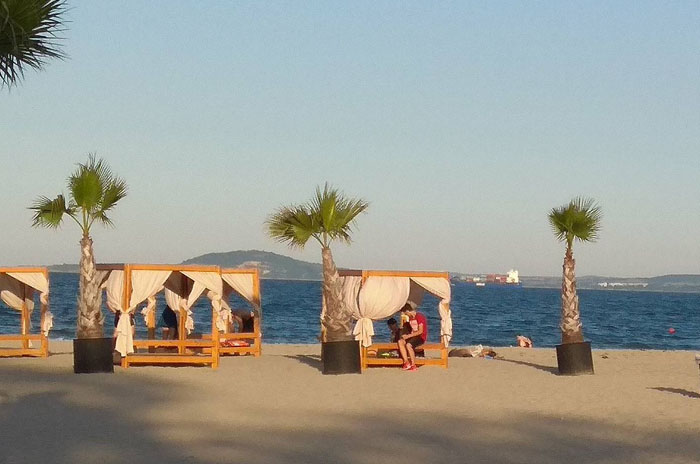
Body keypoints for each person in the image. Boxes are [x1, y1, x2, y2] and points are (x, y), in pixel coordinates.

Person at [397, 303, 428, 371]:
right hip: (413, 335)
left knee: (408, 345)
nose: (406, 315)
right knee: (400, 342)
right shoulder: (410, 318)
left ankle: (413, 364)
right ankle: (406, 362)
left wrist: (408, 336)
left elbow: (420, 331)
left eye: (406, 313)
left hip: (420, 337)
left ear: (408, 311)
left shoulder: (419, 317)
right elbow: (404, 327)